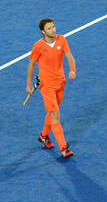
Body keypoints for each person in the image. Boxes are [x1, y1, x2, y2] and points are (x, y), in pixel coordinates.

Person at [26, 18, 77, 159]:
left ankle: (43, 136)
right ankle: (64, 148)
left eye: (53, 27)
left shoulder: (62, 40)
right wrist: (29, 84)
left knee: (52, 112)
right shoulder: (37, 46)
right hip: (46, 86)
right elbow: (31, 65)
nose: (53, 30)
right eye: (49, 28)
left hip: (61, 83)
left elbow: (70, 57)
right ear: (43, 31)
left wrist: (72, 70)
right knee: (55, 114)